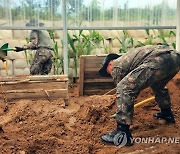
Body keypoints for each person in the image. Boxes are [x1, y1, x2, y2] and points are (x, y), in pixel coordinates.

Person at [99, 44, 180, 146]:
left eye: (108, 73)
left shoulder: (116, 65)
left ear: (110, 64)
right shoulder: (129, 59)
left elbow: (123, 89)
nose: (111, 75)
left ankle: (122, 132)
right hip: (175, 58)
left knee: (124, 87)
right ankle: (167, 114)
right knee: (158, 85)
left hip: (159, 60)